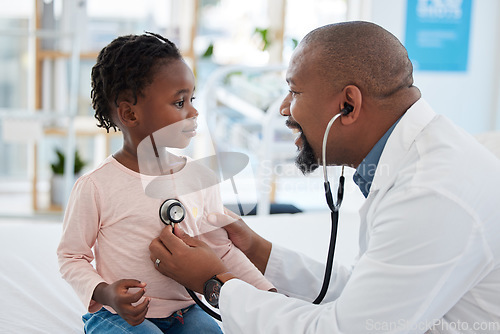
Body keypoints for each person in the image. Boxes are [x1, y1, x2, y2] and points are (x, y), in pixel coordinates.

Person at [149, 21, 500, 333]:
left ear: (348, 105)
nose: (285, 107)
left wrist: (215, 283)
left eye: (295, 91)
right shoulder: (418, 158)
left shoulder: (432, 192)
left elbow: (345, 328)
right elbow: (366, 295)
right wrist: (258, 251)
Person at [57, 32, 274, 334]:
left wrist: (267, 294)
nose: (194, 112)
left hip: (185, 312)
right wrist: (107, 293)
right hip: (118, 316)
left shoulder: (201, 179)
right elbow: (71, 256)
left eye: (192, 99)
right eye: (179, 102)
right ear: (130, 113)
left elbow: (221, 250)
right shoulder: (97, 186)